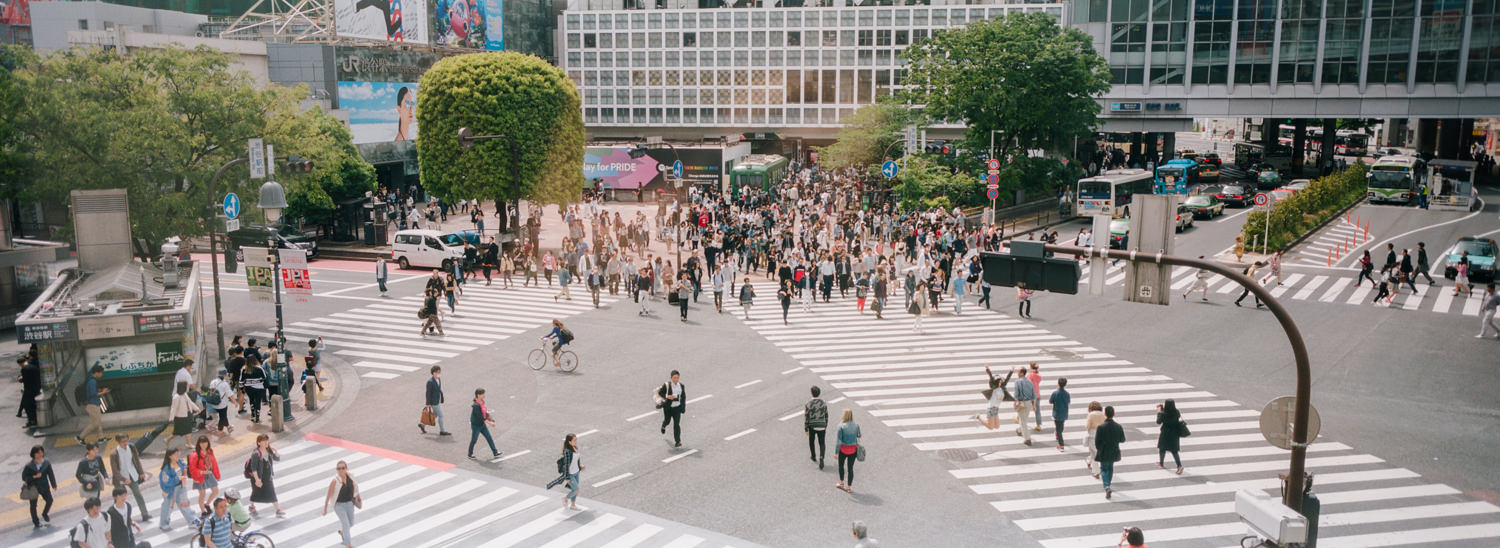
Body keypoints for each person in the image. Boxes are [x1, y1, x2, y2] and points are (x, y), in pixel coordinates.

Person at [108, 432, 151, 522]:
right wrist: (124, 479)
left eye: (127, 440)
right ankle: (117, 516)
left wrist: (141, 472)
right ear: (118, 442)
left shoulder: (131, 447)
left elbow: (136, 460)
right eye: (123, 441)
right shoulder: (114, 453)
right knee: (119, 498)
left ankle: (145, 514)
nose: (125, 443)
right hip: (120, 478)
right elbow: (115, 470)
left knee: (138, 494)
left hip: (132, 475)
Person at [322, 461, 360, 548]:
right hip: (339, 505)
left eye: (343, 468)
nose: (341, 470)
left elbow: (355, 487)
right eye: (338, 468)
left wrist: (359, 497)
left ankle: (343, 532)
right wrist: (325, 509)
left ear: (346, 468)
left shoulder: (351, 476)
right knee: (345, 524)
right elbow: (328, 495)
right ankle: (349, 544)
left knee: (351, 523)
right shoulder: (334, 481)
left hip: (350, 503)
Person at [158, 446, 195, 531]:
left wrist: (185, 469)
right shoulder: (166, 469)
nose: (178, 455)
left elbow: (184, 466)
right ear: (170, 456)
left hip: (181, 487)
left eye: (178, 453)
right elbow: (166, 481)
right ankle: (163, 524)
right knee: (168, 507)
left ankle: (193, 521)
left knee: (185, 505)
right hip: (171, 490)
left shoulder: (180, 462)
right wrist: (178, 478)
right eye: (176, 454)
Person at [247, 434, 284, 518]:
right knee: (256, 492)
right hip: (258, 477)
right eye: (264, 441)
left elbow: (277, 459)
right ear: (259, 443)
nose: (266, 442)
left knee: (272, 492)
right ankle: (251, 506)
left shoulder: (268, 450)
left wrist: (276, 451)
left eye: (267, 441)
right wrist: (257, 479)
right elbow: (253, 468)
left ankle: (278, 509)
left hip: (268, 477)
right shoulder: (256, 454)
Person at [1094, 405, 1126, 499]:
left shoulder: (1101, 427)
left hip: (1104, 450)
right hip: (1114, 449)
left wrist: (1099, 448)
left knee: (1103, 469)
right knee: (1110, 467)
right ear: (1114, 414)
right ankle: (1108, 484)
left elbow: (1097, 441)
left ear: (1105, 414)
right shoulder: (1118, 426)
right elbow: (1122, 439)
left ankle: (1107, 486)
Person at [545, 434, 583, 511]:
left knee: (574, 490)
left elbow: (576, 459)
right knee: (576, 490)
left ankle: (573, 505)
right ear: (569, 442)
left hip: (576, 472)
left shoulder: (575, 448)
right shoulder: (567, 452)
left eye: (576, 440)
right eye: (574, 440)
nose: (576, 441)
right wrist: (567, 477)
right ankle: (565, 499)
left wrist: (580, 466)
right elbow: (566, 465)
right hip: (571, 474)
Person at [23, 445, 55, 528]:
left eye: (41, 452)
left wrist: (53, 484)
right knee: (33, 506)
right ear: (34, 454)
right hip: (33, 487)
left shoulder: (46, 463)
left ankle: (45, 513)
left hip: (44, 486)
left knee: (50, 500)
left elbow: (50, 474)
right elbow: (24, 477)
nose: (40, 454)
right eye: (38, 453)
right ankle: (36, 522)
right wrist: (34, 477)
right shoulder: (29, 466)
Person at [163, 381, 201, 452]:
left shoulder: (184, 394)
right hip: (180, 417)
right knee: (179, 432)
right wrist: (171, 418)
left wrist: (197, 408)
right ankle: (167, 439)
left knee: (188, 430)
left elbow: (190, 402)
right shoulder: (176, 397)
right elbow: (173, 408)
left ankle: (189, 443)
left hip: (187, 415)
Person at [76, 365, 109, 446]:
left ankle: (101, 438)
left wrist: (101, 390)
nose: (102, 374)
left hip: (93, 404)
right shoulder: (92, 381)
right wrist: (103, 392)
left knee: (98, 421)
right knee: (96, 423)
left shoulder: (90, 380)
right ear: (97, 373)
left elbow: (92, 391)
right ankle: (80, 437)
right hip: (92, 404)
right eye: (101, 373)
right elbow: (92, 394)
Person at [973, 365, 1012, 431]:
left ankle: (979, 418)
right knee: (990, 427)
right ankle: (978, 417)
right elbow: (991, 378)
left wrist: (1011, 371)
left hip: (996, 409)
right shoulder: (994, 389)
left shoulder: (1001, 388)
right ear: (997, 382)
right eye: (1000, 381)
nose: (1001, 382)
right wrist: (988, 369)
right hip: (991, 409)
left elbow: (1007, 380)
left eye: (1001, 381)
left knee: (997, 426)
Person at [188, 436, 220, 515]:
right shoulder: (194, 455)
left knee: (215, 491)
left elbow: (214, 463)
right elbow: (192, 469)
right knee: (202, 494)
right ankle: (203, 511)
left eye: (205, 442)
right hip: (200, 476)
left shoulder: (210, 451)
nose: (204, 444)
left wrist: (217, 475)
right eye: (202, 443)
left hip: (209, 474)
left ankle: (207, 504)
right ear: (199, 444)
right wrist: (202, 472)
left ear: (208, 443)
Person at [468, 388, 502, 460]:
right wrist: (490, 423)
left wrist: (490, 418)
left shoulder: (482, 402)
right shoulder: (476, 406)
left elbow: (484, 413)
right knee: (474, 439)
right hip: (476, 425)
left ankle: (495, 452)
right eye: (483, 394)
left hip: (482, 425)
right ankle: (470, 453)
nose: (484, 395)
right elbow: (480, 417)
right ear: (478, 395)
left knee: (489, 437)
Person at [657, 370, 686, 448]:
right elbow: (660, 393)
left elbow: (683, 397)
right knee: (667, 421)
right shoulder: (667, 385)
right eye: (674, 378)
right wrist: (667, 396)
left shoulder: (681, 386)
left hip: (677, 408)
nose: (676, 379)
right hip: (668, 408)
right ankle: (664, 425)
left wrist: (683, 407)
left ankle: (678, 441)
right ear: (671, 378)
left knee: (676, 425)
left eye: (677, 378)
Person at [834, 409, 861, 493]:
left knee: (841, 466)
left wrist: (836, 452)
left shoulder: (841, 426)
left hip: (843, 450)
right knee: (850, 469)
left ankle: (841, 483)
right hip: (853, 450)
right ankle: (849, 487)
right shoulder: (856, 425)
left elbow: (839, 441)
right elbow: (859, 436)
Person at [1157, 399, 1184, 474]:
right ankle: (1179, 465)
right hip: (1175, 433)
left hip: (1165, 433)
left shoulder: (1163, 414)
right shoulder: (1176, 412)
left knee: (1162, 448)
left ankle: (1161, 463)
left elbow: (1158, 422)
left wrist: (1159, 412)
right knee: (1174, 451)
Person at [422, 365, 451, 435]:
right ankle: (442, 431)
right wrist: (428, 403)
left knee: (435, 414)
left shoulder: (438, 379)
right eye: (437, 372)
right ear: (433, 372)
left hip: (437, 400)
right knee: (441, 415)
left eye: (439, 372)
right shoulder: (430, 382)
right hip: (433, 402)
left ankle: (422, 424)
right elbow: (428, 393)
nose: (438, 374)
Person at [805, 386, 829, 470]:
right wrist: (825, 425)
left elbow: (807, 417)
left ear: (812, 393)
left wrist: (806, 428)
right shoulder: (823, 403)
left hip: (812, 425)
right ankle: (822, 456)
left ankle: (813, 456)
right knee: (822, 443)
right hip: (822, 425)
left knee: (811, 441)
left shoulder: (808, 403)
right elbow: (826, 415)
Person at [1010, 367, 1035, 446]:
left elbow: (1016, 394)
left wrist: (1014, 403)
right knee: (1024, 418)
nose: (1017, 373)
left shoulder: (1017, 382)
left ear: (1022, 373)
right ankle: (1020, 430)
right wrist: (1034, 405)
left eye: (1018, 372)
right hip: (1029, 403)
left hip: (1022, 403)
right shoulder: (1030, 381)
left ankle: (1027, 439)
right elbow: (1034, 394)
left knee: (1022, 421)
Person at [18, 355, 40, 430]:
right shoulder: (34, 367)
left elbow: (25, 380)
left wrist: (20, 379)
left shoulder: (24, 369)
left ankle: (32, 421)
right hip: (36, 388)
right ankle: (35, 420)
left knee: (28, 406)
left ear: (20, 363)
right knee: (33, 405)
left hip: (29, 390)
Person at [208, 370, 233, 435]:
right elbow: (229, 394)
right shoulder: (224, 384)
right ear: (224, 376)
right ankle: (220, 431)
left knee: (223, 416)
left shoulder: (212, 382)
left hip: (214, 403)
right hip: (222, 404)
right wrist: (235, 402)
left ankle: (228, 426)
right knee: (222, 417)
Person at [1084, 401, 1105, 478]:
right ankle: (1089, 461)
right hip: (1102, 435)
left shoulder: (1090, 415)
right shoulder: (1103, 415)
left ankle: (1096, 472)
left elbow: (1087, 426)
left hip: (1093, 435)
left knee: (1094, 452)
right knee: (1096, 451)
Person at [1050, 378, 1071, 451]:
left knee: (1058, 428)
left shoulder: (1055, 393)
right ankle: (1057, 435)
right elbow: (1068, 402)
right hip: (1064, 413)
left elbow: (1050, 401)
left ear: (1058, 383)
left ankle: (1061, 444)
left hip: (1057, 413)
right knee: (1061, 426)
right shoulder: (1067, 394)